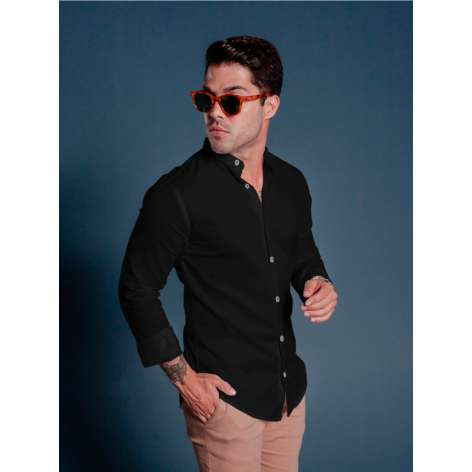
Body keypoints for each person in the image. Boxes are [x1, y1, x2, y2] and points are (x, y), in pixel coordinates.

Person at [118, 35, 338, 472]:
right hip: (226, 404)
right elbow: (136, 289)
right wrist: (186, 381)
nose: (215, 112)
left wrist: (317, 279)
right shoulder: (177, 195)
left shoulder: (292, 182)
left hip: (287, 393)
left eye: (232, 101)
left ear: (269, 105)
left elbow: (299, 247)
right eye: (206, 98)